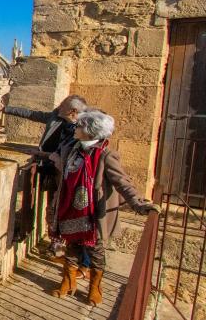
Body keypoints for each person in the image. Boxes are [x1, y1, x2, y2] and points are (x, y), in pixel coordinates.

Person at [47, 110, 159, 305]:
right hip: (69, 207)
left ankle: (95, 287)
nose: (76, 128)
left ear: (91, 131)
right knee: (72, 245)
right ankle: (68, 281)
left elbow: (122, 182)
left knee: (96, 251)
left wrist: (138, 203)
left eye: (80, 126)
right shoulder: (71, 147)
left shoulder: (105, 155)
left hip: (91, 213)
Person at [0, 95, 87, 255]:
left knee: (64, 208)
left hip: (70, 175)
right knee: (52, 206)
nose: (59, 106)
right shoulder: (56, 116)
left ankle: (71, 246)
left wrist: (41, 153)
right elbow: (32, 114)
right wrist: (5, 109)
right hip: (52, 169)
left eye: (63, 105)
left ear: (73, 111)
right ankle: (56, 242)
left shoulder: (83, 129)